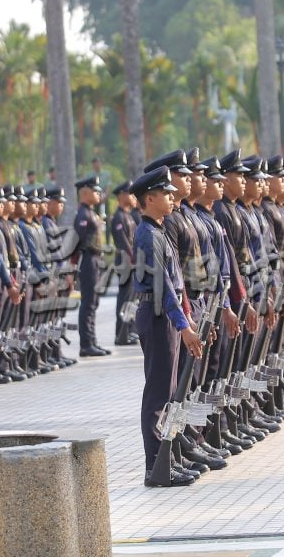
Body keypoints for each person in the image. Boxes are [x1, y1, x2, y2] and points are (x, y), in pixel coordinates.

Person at [130, 165, 203, 487]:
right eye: (166, 194)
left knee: (170, 393)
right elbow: (164, 286)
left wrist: (184, 321)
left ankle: (167, 462)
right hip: (157, 316)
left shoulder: (159, 230)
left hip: (166, 317)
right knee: (158, 395)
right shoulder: (147, 235)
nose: (173, 198)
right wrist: (183, 325)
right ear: (150, 198)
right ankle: (155, 468)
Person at [74, 175, 109, 356]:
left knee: (94, 302)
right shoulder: (82, 214)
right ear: (85, 192)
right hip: (87, 259)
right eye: (95, 191)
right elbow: (76, 242)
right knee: (88, 303)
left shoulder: (91, 213)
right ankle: (86, 344)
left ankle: (92, 340)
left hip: (95, 260)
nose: (98, 193)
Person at [110, 181, 138, 346]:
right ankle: (120, 333)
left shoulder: (128, 215)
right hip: (126, 264)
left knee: (131, 300)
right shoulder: (119, 217)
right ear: (121, 195)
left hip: (132, 264)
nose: (133, 197)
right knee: (124, 299)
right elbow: (123, 243)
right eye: (130, 193)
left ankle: (128, 331)